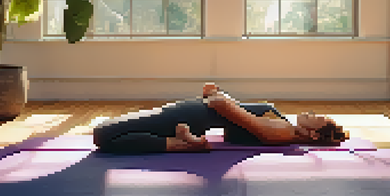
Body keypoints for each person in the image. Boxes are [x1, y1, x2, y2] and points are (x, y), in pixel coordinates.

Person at [93, 83, 350, 154]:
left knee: (102, 134)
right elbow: (231, 116)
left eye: (319, 118)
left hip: (188, 117)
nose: (313, 114)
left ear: (315, 135)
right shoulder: (282, 123)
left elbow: (222, 107)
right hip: (187, 114)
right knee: (104, 133)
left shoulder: (283, 131)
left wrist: (217, 94)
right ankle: (181, 143)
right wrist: (215, 95)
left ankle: (184, 145)